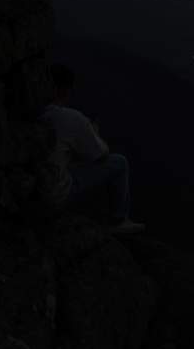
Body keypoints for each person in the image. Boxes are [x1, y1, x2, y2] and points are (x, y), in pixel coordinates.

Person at [42, 64, 144, 232]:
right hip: (55, 193)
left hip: (32, 191)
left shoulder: (36, 113)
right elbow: (100, 154)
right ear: (67, 89)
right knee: (119, 163)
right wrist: (94, 134)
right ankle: (118, 220)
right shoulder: (71, 118)